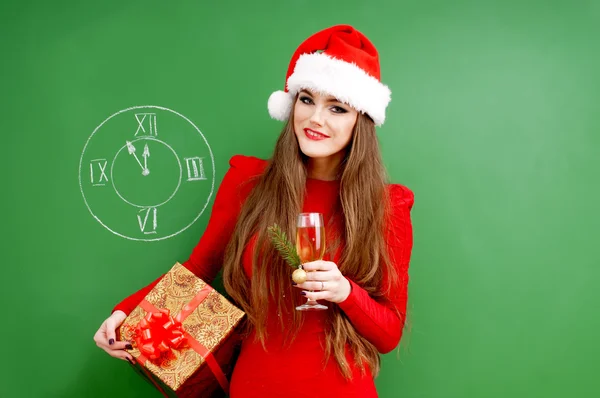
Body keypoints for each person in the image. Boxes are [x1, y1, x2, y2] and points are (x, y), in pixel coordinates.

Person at [94, 24, 415, 397]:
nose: (315, 119)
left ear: (360, 121)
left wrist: (345, 291)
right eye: (307, 100)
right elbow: (199, 272)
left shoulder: (386, 204)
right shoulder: (249, 183)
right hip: (254, 385)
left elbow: (389, 332)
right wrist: (125, 313)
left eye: (337, 108)